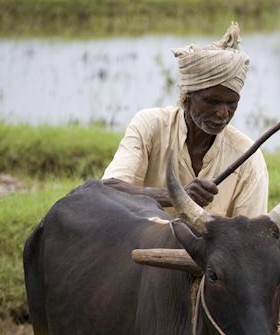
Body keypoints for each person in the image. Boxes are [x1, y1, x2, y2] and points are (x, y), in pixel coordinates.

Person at [102, 23, 268, 218]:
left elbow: (250, 235)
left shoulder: (248, 157)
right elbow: (108, 190)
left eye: (232, 104)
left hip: (214, 250)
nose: (224, 114)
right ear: (186, 98)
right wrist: (175, 195)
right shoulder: (150, 126)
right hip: (142, 244)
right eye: (212, 101)